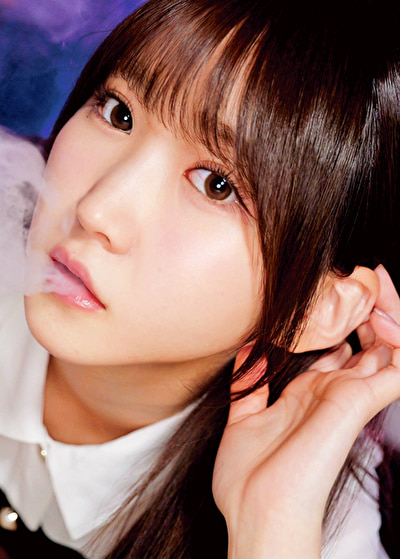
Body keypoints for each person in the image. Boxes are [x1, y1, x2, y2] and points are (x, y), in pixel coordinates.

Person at [1, 0, 400, 557]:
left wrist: (268, 527)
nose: (96, 211)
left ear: (319, 308)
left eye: (217, 185)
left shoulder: (319, 523)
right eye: (118, 113)